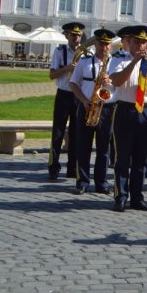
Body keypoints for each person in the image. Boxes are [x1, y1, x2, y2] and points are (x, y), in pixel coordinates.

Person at [105, 26, 147, 212]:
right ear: (129, 42)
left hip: (146, 111)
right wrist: (135, 62)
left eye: (144, 42)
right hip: (126, 110)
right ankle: (120, 196)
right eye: (137, 41)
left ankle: (137, 197)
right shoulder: (118, 59)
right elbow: (116, 81)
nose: (141, 45)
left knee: (141, 158)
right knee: (123, 157)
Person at [68, 28, 116, 196]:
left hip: (107, 108)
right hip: (87, 106)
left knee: (104, 148)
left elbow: (122, 84)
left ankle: (101, 182)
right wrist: (84, 100)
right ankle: (82, 181)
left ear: (111, 46)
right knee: (83, 146)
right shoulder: (84, 61)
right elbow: (73, 83)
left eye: (107, 44)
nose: (104, 47)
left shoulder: (115, 63)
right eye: (101, 43)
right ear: (96, 43)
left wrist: (109, 80)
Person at [47, 21, 86, 181]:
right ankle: (53, 166)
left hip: (78, 96)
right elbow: (52, 75)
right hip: (63, 94)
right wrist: (67, 69)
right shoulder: (59, 51)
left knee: (77, 133)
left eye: (78, 35)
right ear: (66, 36)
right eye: (72, 35)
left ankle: (72, 167)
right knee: (58, 132)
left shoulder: (86, 53)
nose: (75, 38)